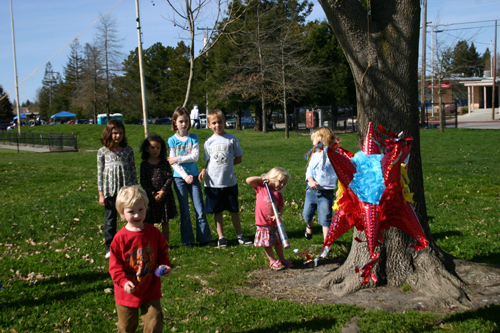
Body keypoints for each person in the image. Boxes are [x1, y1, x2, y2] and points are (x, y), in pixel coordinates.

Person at [109, 185, 171, 333]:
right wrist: (123, 282)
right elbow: (115, 267)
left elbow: (163, 251)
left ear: (146, 208)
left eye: (140, 210)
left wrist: (165, 265)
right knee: (127, 325)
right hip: (127, 291)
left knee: (155, 320)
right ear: (122, 213)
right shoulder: (120, 239)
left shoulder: (154, 233)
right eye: (131, 212)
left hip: (150, 287)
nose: (137, 215)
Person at [199, 109, 252, 248]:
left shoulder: (232, 139)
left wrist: (226, 164)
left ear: (224, 122)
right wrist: (204, 170)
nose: (218, 125)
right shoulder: (208, 142)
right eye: (214, 123)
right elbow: (209, 161)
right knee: (218, 212)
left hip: (229, 182)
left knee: (234, 210)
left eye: (220, 122)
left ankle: (239, 235)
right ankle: (221, 237)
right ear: (209, 125)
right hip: (213, 184)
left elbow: (239, 158)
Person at [167, 107, 213, 247]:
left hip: (194, 178)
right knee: (185, 211)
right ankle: (187, 240)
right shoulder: (172, 140)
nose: (184, 124)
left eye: (186, 121)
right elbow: (172, 163)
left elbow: (194, 157)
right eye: (181, 121)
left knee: (200, 209)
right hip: (180, 179)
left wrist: (178, 159)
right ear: (175, 123)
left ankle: (204, 238)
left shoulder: (194, 137)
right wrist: (185, 176)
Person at [97, 119, 138, 258]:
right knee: (110, 219)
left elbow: (132, 170)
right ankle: (110, 247)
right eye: (114, 133)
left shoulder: (128, 151)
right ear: (108, 133)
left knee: (129, 218)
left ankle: (131, 244)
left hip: (126, 191)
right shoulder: (102, 152)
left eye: (120, 133)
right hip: (110, 191)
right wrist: (101, 194)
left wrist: (135, 189)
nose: (117, 136)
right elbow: (100, 174)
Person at [246, 167, 293, 270]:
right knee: (267, 244)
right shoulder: (261, 188)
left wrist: (278, 214)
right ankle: (272, 260)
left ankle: (282, 259)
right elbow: (248, 180)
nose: (281, 185)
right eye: (280, 182)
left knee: (278, 242)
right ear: (272, 178)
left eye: (283, 184)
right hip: (263, 222)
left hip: (274, 223)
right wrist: (261, 179)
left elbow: (281, 208)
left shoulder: (279, 195)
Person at [140, 134, 178, 243]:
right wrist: (153, 193)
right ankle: (151, 243)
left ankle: (165, 244)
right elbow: (144, 181)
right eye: (152, 147)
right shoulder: (144, 165)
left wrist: (163, 191)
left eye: (158, 147)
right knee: (150, 221)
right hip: (150, 197)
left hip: (165, 196)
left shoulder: (164, 163)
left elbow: (169, 177)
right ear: (147, 149)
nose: (155, 150)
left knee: (165, 220)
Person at [303, 126, 338, 240]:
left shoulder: (334, 156)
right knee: (307, 214)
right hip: (311, 191)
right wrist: (311, 180)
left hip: (326, 192)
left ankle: (326, 242)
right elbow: (309, 170)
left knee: (325, 218)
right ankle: (309, 225)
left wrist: (340, 189)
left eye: (314, 140)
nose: (313, 143)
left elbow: (341, 172)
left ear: (322, 140)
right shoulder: (315, 154)